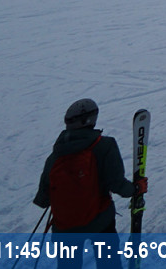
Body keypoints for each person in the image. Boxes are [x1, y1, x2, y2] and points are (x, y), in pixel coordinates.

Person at [34, 98, 144, 234]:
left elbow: (43, 200)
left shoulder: (55, 156)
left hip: (64, 228)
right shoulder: (105, 145)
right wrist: (135, 189)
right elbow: (117, 184)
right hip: (100, 222)